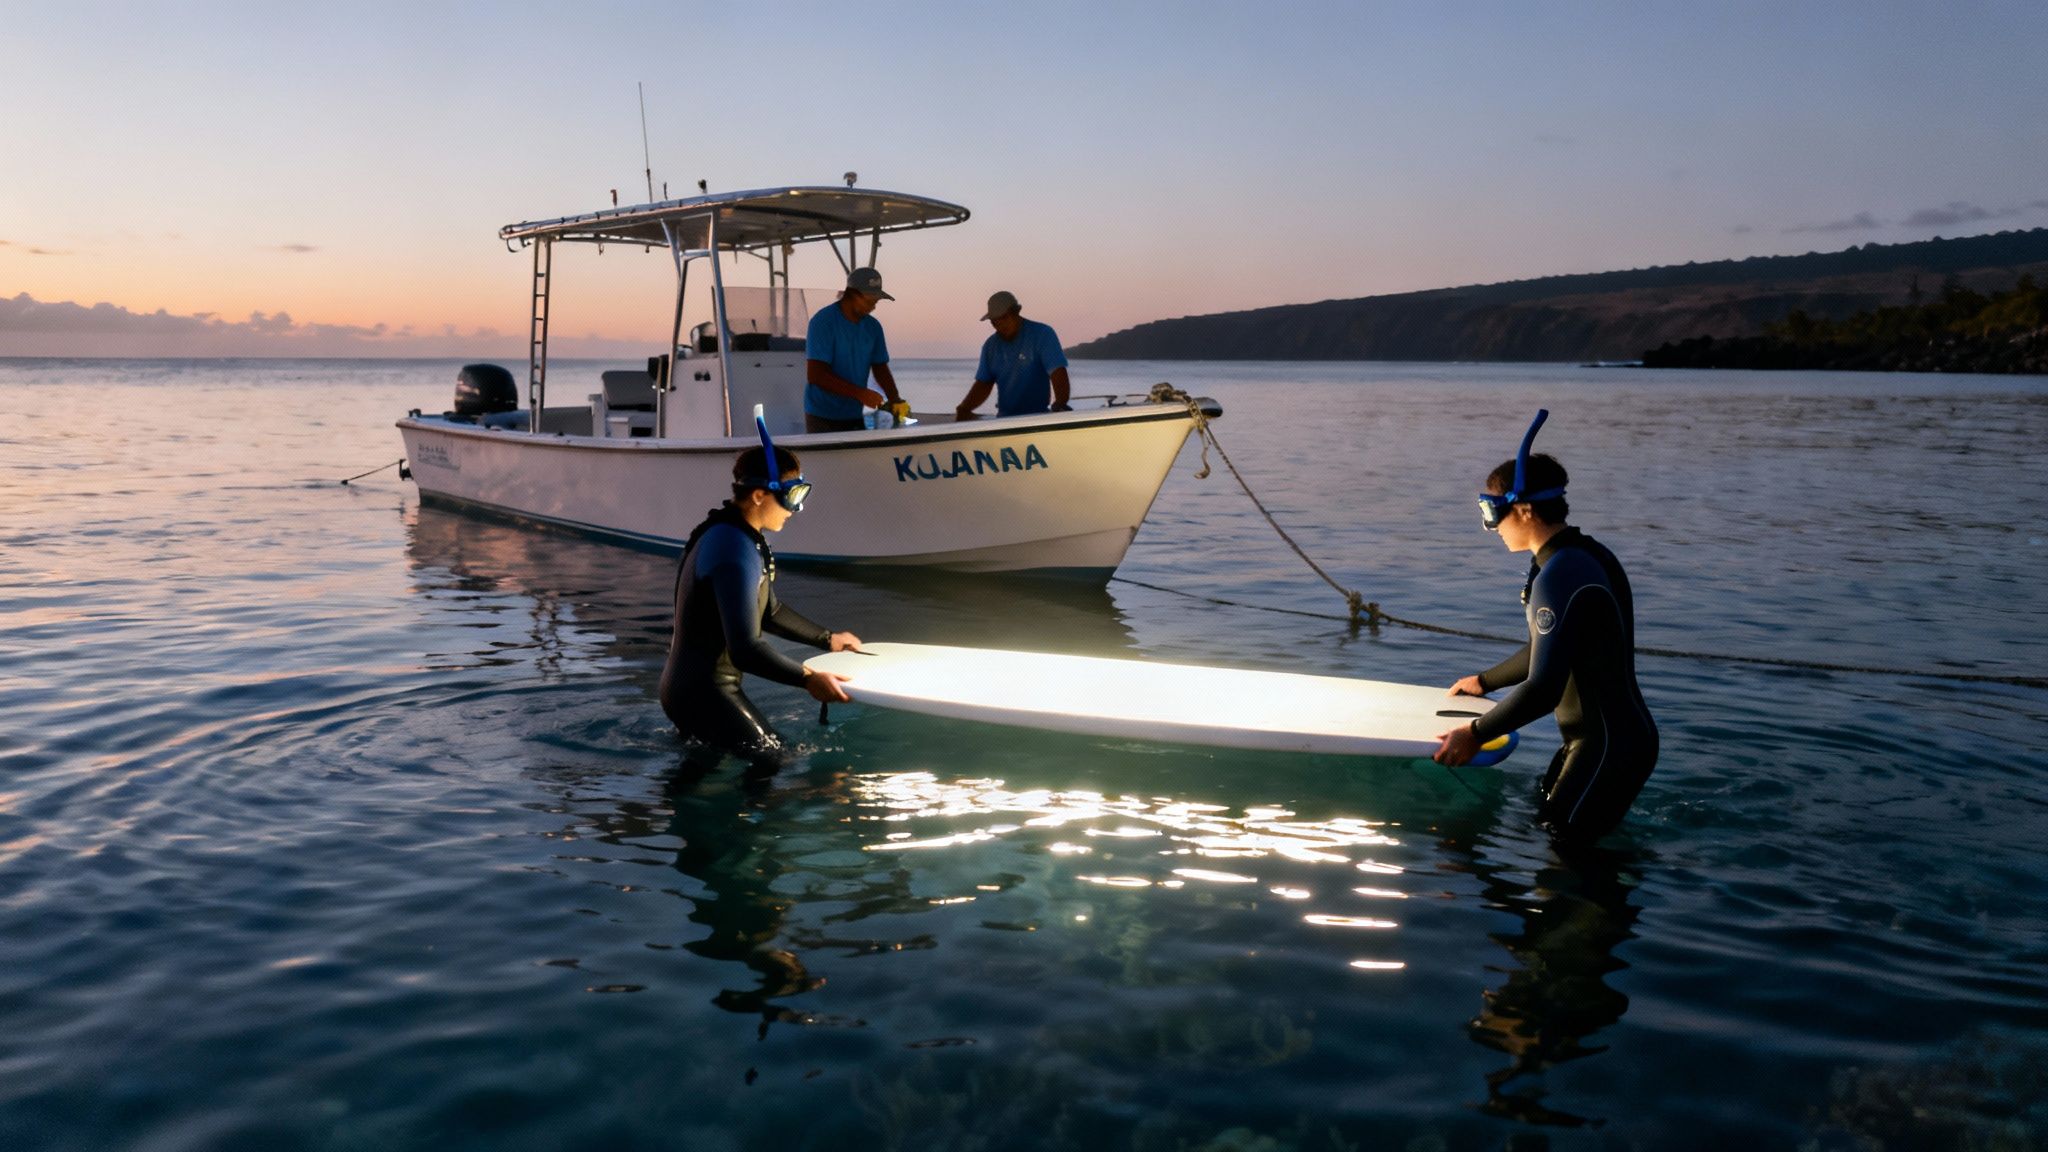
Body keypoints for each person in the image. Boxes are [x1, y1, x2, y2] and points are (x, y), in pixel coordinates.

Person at [1434, 410, 1658, 840]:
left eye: (1491, 512)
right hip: (1609, 739)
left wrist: (1474, 734)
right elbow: (1548, 651)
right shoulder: (1580, 556)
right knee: (1548, 829)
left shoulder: (1559, 576)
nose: (1491, 527)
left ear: (1523, 509)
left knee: (1568, 857)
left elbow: (1544, 686)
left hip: (1607, 745)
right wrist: (1484, 681)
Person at [659, 414, 862, 762]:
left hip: (694, 690)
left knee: (715, 771)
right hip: (704, 692)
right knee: (777, 759)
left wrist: (828, 639)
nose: (797, 509)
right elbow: (745, 649)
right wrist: (809, 678)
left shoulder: (738, 536)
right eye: (792, 496)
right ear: (758, 495)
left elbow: (770, 612)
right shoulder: (732, 549)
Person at [804, 267, 906, 433]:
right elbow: (816, 375)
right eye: (869, 299)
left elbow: (880, 367)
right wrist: (860, 393)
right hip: (822, 415)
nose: (873, 305)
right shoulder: (823, 322)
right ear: (852, 294)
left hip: (854, 414)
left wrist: (895, 399)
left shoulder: (873, 327)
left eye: (876, 300)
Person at [953, 290, 1072, 420]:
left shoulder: (1042, 334)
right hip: (1004, 419)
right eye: (994, 322)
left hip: (1038, 417)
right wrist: (964, 408)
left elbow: (1057, 370)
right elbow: (984, 383)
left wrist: (1060, 402)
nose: (1000, 325)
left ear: (1016, 312)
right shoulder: (990, 346)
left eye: (1004, 318)